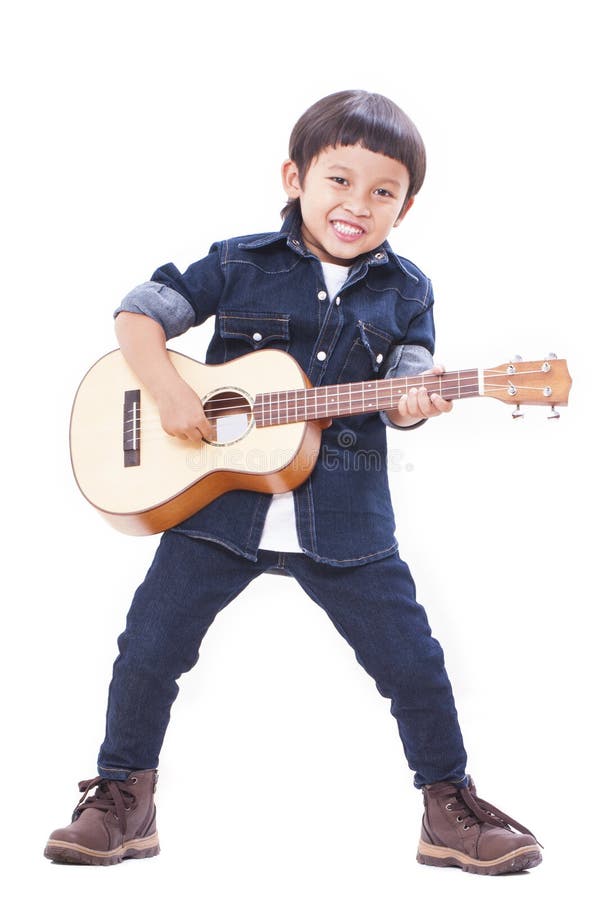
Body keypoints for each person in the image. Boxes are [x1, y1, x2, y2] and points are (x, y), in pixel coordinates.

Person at [45, 90, 542, 875]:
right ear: (294, 177)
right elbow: (139, 316)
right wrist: (172, 392)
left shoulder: (408, 292)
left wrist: (417, 402)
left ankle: (449, 808)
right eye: (339, 180)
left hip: (344, 518)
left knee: (414, 663)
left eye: (383, 192)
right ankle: (121, 799)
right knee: (148, 650)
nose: (357, 205)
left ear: (405, 208)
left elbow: (408, 392)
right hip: (215, 509)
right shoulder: (239, 261)